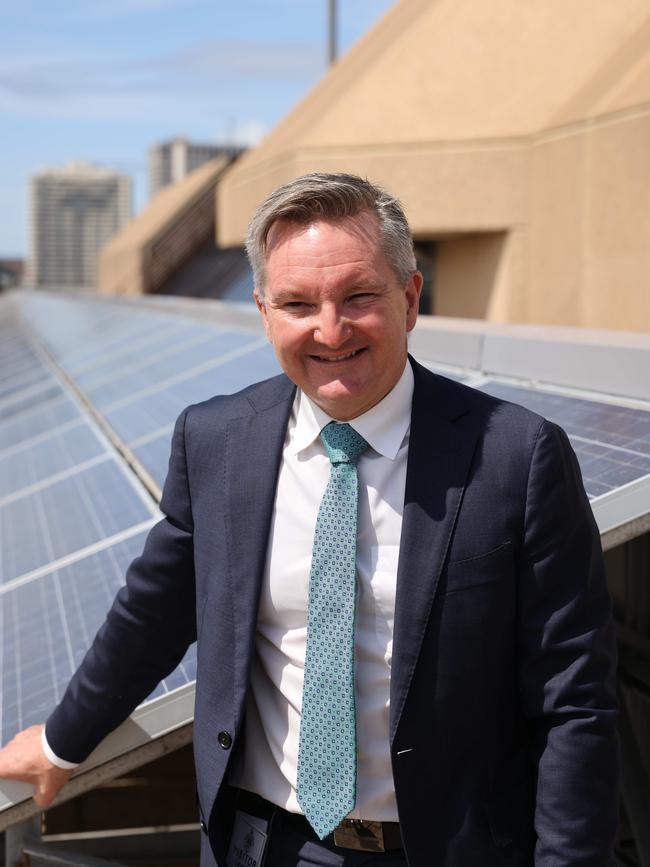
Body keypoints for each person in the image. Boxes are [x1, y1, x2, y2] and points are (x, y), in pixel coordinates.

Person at [0, 173, 619, 866]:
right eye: (298, 303)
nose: (330, 329)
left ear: (410, 299)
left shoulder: (515, 456)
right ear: (263, 311)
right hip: (264, 846)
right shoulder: (217, 442)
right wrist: (61, 742)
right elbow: (154, 609)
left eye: (359, 296)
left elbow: (575, 702)